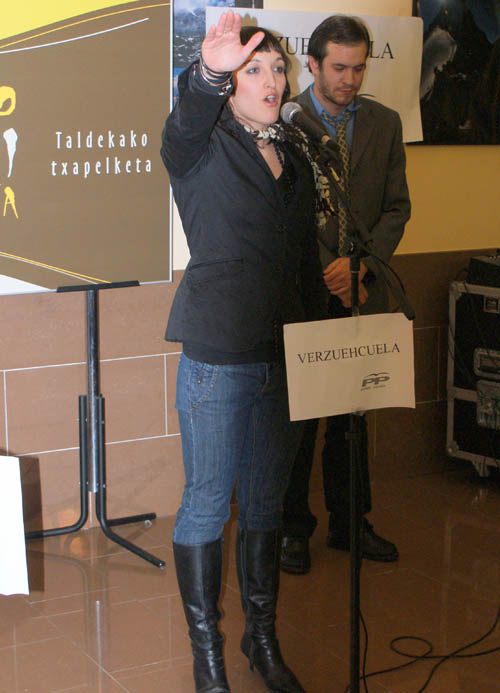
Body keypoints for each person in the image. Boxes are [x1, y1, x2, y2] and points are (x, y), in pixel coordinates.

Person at [160, 11, 325, 692]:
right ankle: (209, 659)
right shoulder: (200, 145)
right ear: (229, 84)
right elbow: (183, 122)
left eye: (278, 67)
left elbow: (300, 254)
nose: (271, 80)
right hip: (220, 353)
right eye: (254, 70)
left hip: (285, 353)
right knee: (207, 503)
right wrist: (207, 72)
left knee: (264, 506)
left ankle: (262, 638)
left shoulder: (296, 152)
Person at [280, 14, 411, 575]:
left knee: (351, 419)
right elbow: (279, 217)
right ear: (312, 64)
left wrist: (361, 268)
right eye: (338, 68)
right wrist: (327, 270)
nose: (350, 80)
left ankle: (350, 522)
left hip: (362, 290)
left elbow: (396, 208)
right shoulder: (285, 123)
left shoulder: (385, 123)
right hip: (305, 294)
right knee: (299, 421)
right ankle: (292, 530)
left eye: (358, 68)